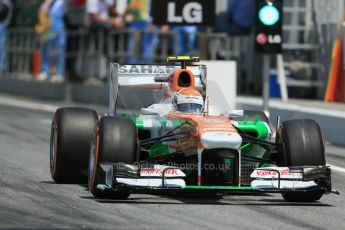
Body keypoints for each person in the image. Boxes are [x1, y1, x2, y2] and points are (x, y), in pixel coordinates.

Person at [36, 0, 67, 82]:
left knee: (59, 51)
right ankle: (45, 71)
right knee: (46, 51)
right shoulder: (45, 3)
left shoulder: (62, 2)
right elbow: (41, 15)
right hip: (47, 29)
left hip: (58, 29)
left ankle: (59, 73)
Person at [0, 0, 13, 73]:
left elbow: (8, 14)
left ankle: (2, 67)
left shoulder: (7, 3)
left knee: (2, 47)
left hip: (2, 25)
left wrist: (6, 23)